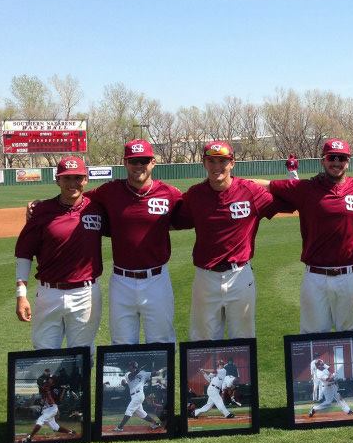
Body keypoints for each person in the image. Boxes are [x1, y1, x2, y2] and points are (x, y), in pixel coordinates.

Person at [174, 141, 286, 341]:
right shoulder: (195, 194)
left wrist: (265, 183)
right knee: (203, 341)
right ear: (204, 163)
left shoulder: (250, 191)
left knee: (244, 340)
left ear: (232, 163)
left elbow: (291, 200)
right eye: (211, 161)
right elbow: (173, 221)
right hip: (205, 277)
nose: (217, 166)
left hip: (239, 275)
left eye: (223, 161)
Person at [267, 139, 353, 336]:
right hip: (316, 277)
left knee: (350, 335)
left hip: (351, 275)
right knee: (313, 337)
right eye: (331, 157)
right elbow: (268, 186)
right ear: (323, 160)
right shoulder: (305, 189)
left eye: (341, 158)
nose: (336, 162)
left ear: (348, 161)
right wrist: (229, 181)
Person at [85, 139, 184, 344]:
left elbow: (192, 215)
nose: (139, 165)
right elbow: (76, 201)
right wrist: (40, 205)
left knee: (161, 342)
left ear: (153, 162)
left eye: (144, 160)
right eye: (133, 161)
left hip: (157, 279)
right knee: (121, 344)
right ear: (125, 163)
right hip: (121, 281)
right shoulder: (109, 191)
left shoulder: (169, 193)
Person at [15, 156, 106, 351]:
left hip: (86, 294)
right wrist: (21, 295)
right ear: (58, 180)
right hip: (49, 293)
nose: (72, 183)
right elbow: (24, 253)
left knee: (82, 354)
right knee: (44, 354)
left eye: (77, 178)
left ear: (86, 179)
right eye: (67, 178)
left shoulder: (97, 208)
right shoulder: (41, 211)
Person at [22, 368, 77, 443]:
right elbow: (40, 383)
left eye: (51, 379)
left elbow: (58, 400)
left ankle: (29, 438)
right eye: (49, 379)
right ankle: (70, 432)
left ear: (54, 382)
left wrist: (64, 390)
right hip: (47, 409)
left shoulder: (54, 390)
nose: (49, 380)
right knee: (55, 427)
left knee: (40, 420)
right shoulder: (46, 386)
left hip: (51, 409)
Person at [113, 360, 163, 432]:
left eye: (130, 366)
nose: (129, 367)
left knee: (129, 410)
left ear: (134, 367)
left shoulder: (143, 373)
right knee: (141, 413)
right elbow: (130, 378)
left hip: (139, 395)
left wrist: (158, 371)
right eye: (129, 366)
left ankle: (120, 427)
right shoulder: (128, 374)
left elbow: (155, 373)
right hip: (134, 396)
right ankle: (155, 423)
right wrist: (137, 372)